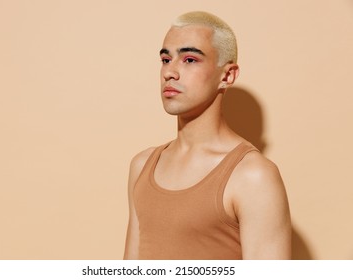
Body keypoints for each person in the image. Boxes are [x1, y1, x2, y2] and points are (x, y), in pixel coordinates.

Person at [124, 11, 291, 260]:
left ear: (227, 75)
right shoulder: (142, 165)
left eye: (189, 60)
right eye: (166, 59)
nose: (170, 72)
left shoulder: (253, 177)